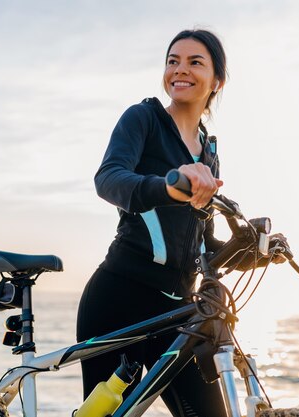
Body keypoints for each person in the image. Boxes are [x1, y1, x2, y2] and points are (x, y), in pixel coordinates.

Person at [76, 29, 285, 417]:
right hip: (119, 297)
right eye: (173, 61)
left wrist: (255, 252)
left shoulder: (209, 152)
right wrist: (169, 188)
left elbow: (203, 247)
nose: (179, 70)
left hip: (177, 314)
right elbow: (108, 179)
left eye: (194, 62)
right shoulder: (144, 119)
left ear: (217, 80)